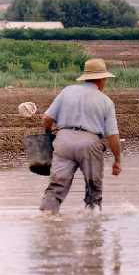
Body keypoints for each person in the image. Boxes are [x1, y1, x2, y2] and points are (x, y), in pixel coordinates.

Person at [40, 58, 122, 214]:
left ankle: (47, 219)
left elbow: (46, 119)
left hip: (63, 141)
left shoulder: (67, 91)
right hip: (90, 143)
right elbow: (112, 136)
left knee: (56, 187)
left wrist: (48, 135)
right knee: (93, 189)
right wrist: (117, 160)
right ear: (101, 79)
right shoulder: (106, 102)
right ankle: (93, 225)